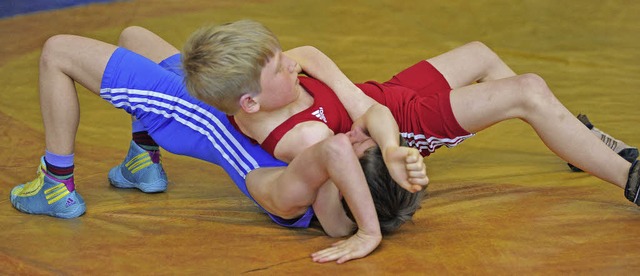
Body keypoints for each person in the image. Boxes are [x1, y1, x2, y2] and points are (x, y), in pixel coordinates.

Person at [179, 20, 640, 265]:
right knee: (527, 89)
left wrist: (377, 125)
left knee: (481, 54)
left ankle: (573, 140)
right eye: (279, 69)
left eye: (281, 55)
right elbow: (350, 168)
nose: (292, 64)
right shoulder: (303, 137)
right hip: (407, 124)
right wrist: (396, 149)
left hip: (389, 99)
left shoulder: (291, 70)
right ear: (250, 103)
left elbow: (362, 103)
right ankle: (628, 178)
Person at [8, 24, 427, 264]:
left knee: (57, 51)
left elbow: (335, 155)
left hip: (190, 115)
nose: (351, 132)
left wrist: (369, 233)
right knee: (134, 35)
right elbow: (356, 129)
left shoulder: (291, 195)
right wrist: (391, 151)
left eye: (358, 145)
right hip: (225, 110)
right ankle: (142, 161)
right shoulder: (319, 183)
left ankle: (56, 183)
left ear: (344, 186)